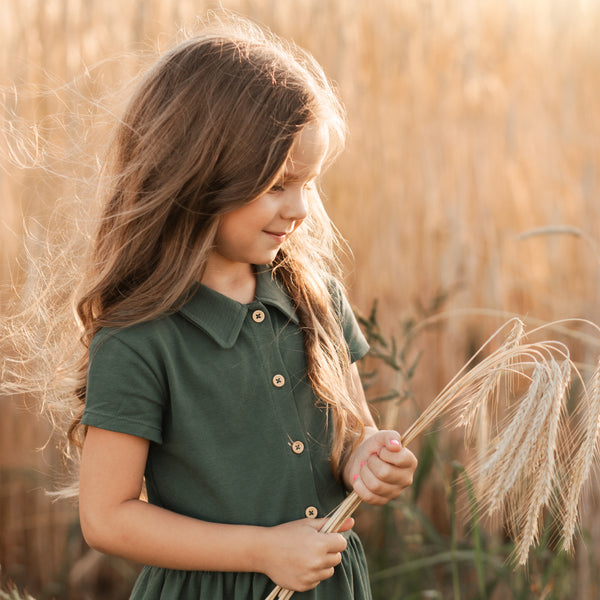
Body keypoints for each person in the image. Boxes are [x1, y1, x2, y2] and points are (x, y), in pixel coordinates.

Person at [72, 15, 417, 600]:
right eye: (278, 184)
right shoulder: (139, 339)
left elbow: (353, 437)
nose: (302, 208)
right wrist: (263, 551)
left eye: (308, 183)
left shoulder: (317, 298)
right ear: (196, 177)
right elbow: (106, 517)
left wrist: (371, 462)